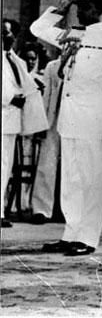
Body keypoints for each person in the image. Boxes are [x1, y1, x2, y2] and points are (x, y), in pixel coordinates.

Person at [30, 0, 102, 256]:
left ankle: (87, 238)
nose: (78, 13)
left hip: (97, 122)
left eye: (84, 7)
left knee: (92, 179)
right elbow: (37, 29)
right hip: (70, 119)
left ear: (100, 8)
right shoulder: (73, 34)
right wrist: (60, 8)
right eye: (77, 7)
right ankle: (70, 233)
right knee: (71, 179)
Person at [2, 19, 48, 228]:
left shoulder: (14, 60)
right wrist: (10, 98)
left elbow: (26, 83)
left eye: (9, 33)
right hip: (5, 113)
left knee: (5, 166)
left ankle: (1, 211)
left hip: (11, 122)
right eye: (4, 33)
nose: (7, 37)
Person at [30, 44, 63, 224]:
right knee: (47, 164)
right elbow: (47, 95)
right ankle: (41, 209)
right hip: (54, 119)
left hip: (75, 119)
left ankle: (64, 210)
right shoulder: (53, 67)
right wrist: (42, 123)